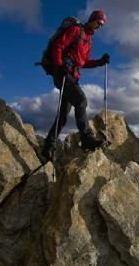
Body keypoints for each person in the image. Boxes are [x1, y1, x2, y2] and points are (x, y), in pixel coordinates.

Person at [42, 10, 111, 161]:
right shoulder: (76, 30)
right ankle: (86, 138)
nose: (99, 27)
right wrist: (60, 65)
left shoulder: (88, 41)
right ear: (92, 19)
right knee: (81, 100)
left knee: (63, 117)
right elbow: (59, 46)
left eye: (102, 25)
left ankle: (48, 146)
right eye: (99, 23)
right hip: (62, 74)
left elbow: (83, 62)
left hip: (72, 76)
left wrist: (99, 62)